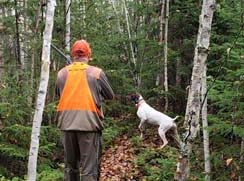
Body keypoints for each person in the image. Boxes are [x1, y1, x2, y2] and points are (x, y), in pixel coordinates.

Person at [55, 39, 114, 181]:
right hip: (89, 125)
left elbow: (59, 93)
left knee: (70, 168)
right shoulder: (96, 73)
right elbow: (110, 95)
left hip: (67, 125)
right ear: (88, 54)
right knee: (89, 170)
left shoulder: (62, 74)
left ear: (73, 55)